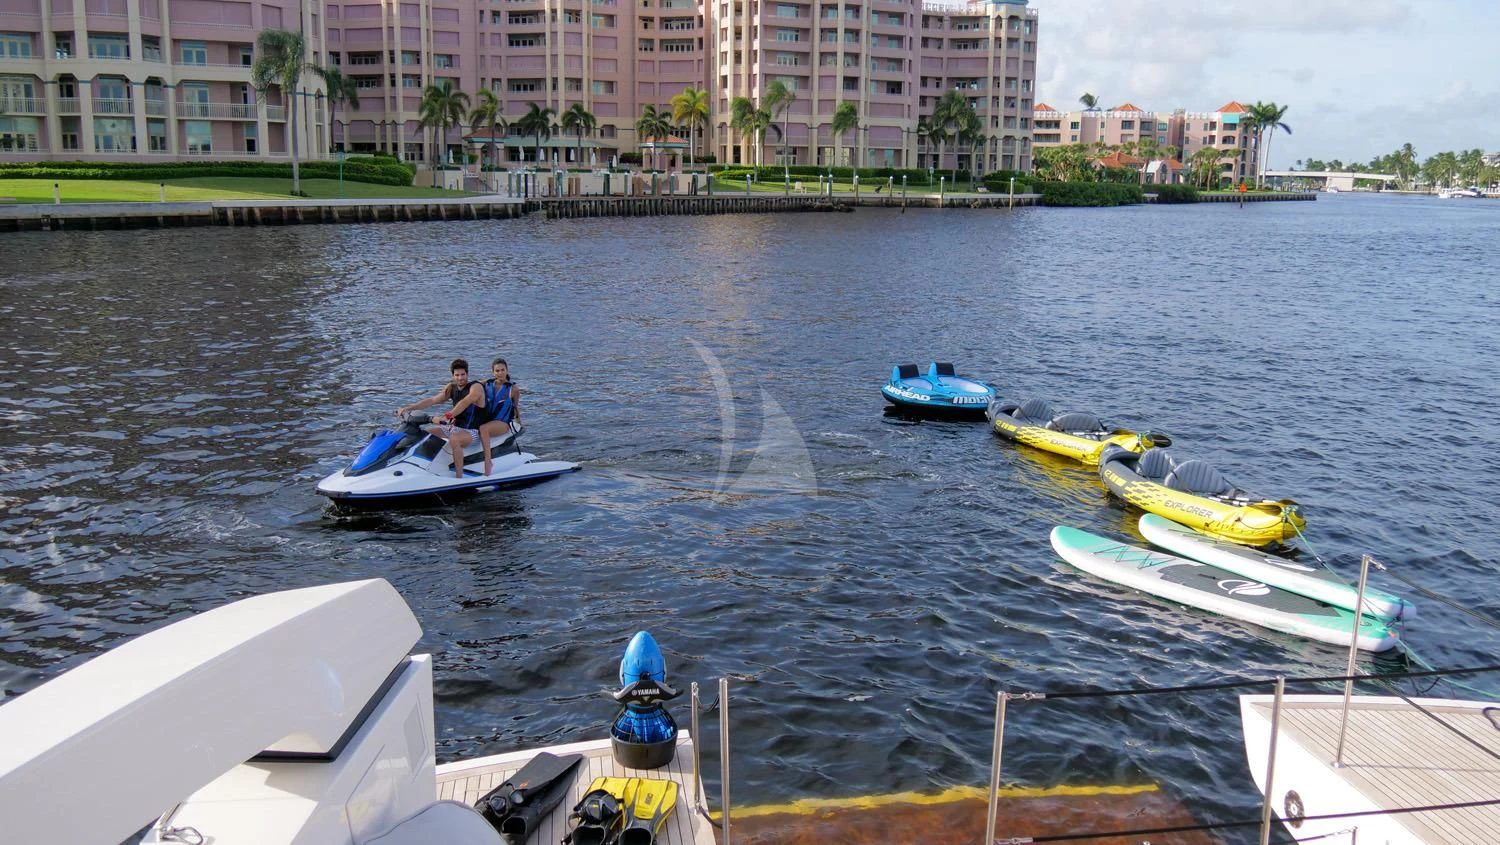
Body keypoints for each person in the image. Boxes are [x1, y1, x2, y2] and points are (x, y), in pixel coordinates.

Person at [395, 358, 484, 479]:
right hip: (455, 428)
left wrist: (448, 415)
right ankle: (423, 468)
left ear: (467, 374)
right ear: (453, 375)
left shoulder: (476, 387)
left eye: (463, 374)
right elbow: (432, 400)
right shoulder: (452, 388)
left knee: (455, 439)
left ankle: (459, 478)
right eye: (457, 375)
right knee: (424, 434)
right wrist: (408, 408)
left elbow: (466, 401)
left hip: (474, 432)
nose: (460, 378)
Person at [476, 357, 522, 476]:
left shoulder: (513, 389)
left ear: (507, 370)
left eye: (502, 370)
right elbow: (472, 388)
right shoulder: (487, 384)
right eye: (497, 371)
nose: (500, 373)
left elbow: (515, 407)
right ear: (493, 372)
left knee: (483, 429)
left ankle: (488, 461)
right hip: (488, 420)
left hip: (502, 423)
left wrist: (519, 423)